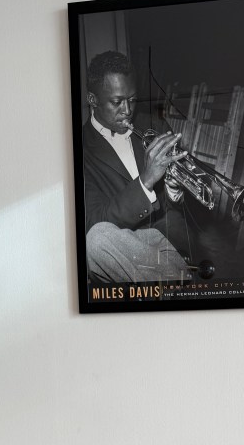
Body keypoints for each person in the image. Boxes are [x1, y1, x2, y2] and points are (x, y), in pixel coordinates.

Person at [82, 51, 192, 284]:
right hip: (120, 247)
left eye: (132, 100)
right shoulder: (79, 150)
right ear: (92, 100)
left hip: (165, 239)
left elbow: (175, 207)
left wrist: (174, 188)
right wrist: (146, 181)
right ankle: (178, 285)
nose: (127, 110)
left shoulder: (153, 124)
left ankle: (174, 285)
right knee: (95, 240)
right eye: (117, 102)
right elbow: (94, 220)